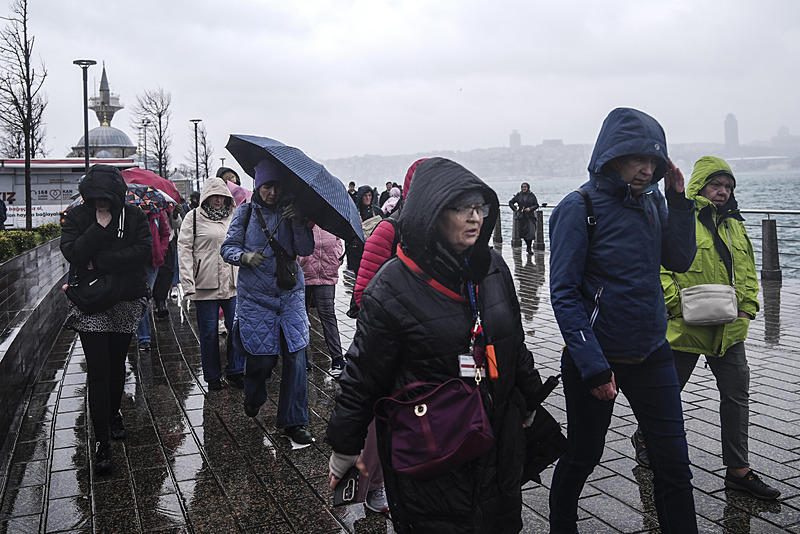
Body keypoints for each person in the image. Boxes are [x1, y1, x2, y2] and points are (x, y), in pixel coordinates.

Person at [325, 157, 545, 533]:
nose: (474, 218)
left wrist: (530, 396)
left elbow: (513, 341)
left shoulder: (493, 267)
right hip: (433, 447)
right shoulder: (392, 286)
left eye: (480, 208)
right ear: (432, 213)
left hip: (499, 440)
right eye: (462, 209)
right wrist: (345, 446)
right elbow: (362, 376)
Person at [548, 107, 698, 533]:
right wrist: (594, 366)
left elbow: (679, 259)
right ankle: (562, 525)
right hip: (597, 359)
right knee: (584, 454)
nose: (647, 169)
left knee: (674, 464)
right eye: (638, 159)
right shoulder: (579, 207)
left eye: (653, 161)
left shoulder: (652, 202)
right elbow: (563, 293)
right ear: (613, 158)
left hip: (653, 354)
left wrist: (678, 201)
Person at [632, 156, 778, 499]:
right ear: (699, 186)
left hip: (729, 330)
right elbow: (657, 267)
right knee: (667, 394)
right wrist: (675, 305)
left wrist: (748, 309)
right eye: (716, 184)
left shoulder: (735, 224)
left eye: (728, 186)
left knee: (736, 398)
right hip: (685, 328)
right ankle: (644, 437)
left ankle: (738, 470)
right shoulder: (679, 219)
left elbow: (747, 271)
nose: (722, 191)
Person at [60, 164, 151, 475]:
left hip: (125, 299)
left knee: (116, 363)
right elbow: (72, 253)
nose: (101, 202)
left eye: (106, 197)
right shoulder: (77, 217)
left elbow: (142, 253)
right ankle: (102, 442)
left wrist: (99, 261)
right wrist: (98, 228)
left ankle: (114, 413)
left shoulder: (134, 216)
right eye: (95, 196)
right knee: (98, 370)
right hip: (93, 303)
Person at [221, 159, 315, 445]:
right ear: (257, 186)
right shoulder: (246, 212)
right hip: (256, 299)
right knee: (261, 360)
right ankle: (254, 396)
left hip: (290, 297)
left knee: (296, 359)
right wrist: (244, 257)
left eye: (277, 187)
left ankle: (294, 421)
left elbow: (305, 249)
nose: (272, 193)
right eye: (266, 187)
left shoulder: (293, 211)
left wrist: (298, 223)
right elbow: (228, 248)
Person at [178, 177, 245, 391]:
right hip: (204, 284)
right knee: (208, 334)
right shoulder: (193, 218)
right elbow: (184, 250)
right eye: (214, 196)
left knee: (237, 329)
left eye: (222, 196)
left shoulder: (233, 216)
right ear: (206, 196)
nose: (218, 200)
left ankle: (236, 370)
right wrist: (188, 283)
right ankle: (212, 376)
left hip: (232, 284)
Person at [298, 225, 347, 376]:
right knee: (301, 317)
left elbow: (338, 240)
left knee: (328, 316)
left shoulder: (329, 220)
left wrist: (337, 257)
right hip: (302, 274)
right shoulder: (301, 217)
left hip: (326, 273)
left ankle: (337, 359)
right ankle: (302, 357)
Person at [136, 208, 170, 351]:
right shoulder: (129, 212)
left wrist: (161, 252)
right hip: (133, 262)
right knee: (137, 298)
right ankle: (141, 335)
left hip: (152, 262)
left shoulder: (157, 213)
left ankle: (144, 338)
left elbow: (165, 233)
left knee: (145, 299)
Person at [508, 182, 539, 253]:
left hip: (530, 216)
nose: (523, 188)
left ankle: (529, 248)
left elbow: (536, 205)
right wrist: (515, 209)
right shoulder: (518, 195)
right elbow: (510, 202)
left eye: (525, 187)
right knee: (523, 233)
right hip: (522, 217)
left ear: (528, 188)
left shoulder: (532, 195)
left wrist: (530, 208)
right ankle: (528, 246)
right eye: (522, 187)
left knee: (530, 233)